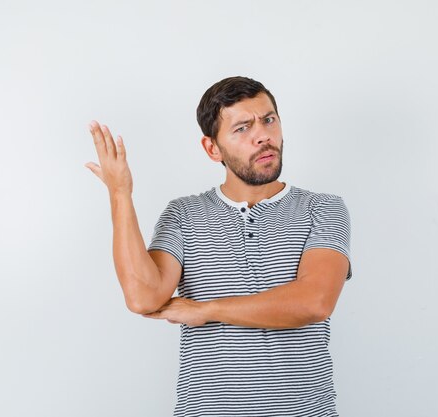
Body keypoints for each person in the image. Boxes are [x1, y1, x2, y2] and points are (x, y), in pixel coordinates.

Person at [85, 76, 353, 417]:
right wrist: (120, 194)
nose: (263, 135)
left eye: (269, 119)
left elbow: (314, 301)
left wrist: (205, 310)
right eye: (242, 128)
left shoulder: (323, 208)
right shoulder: (183, 214)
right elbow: (143, 296)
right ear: (213, 149)